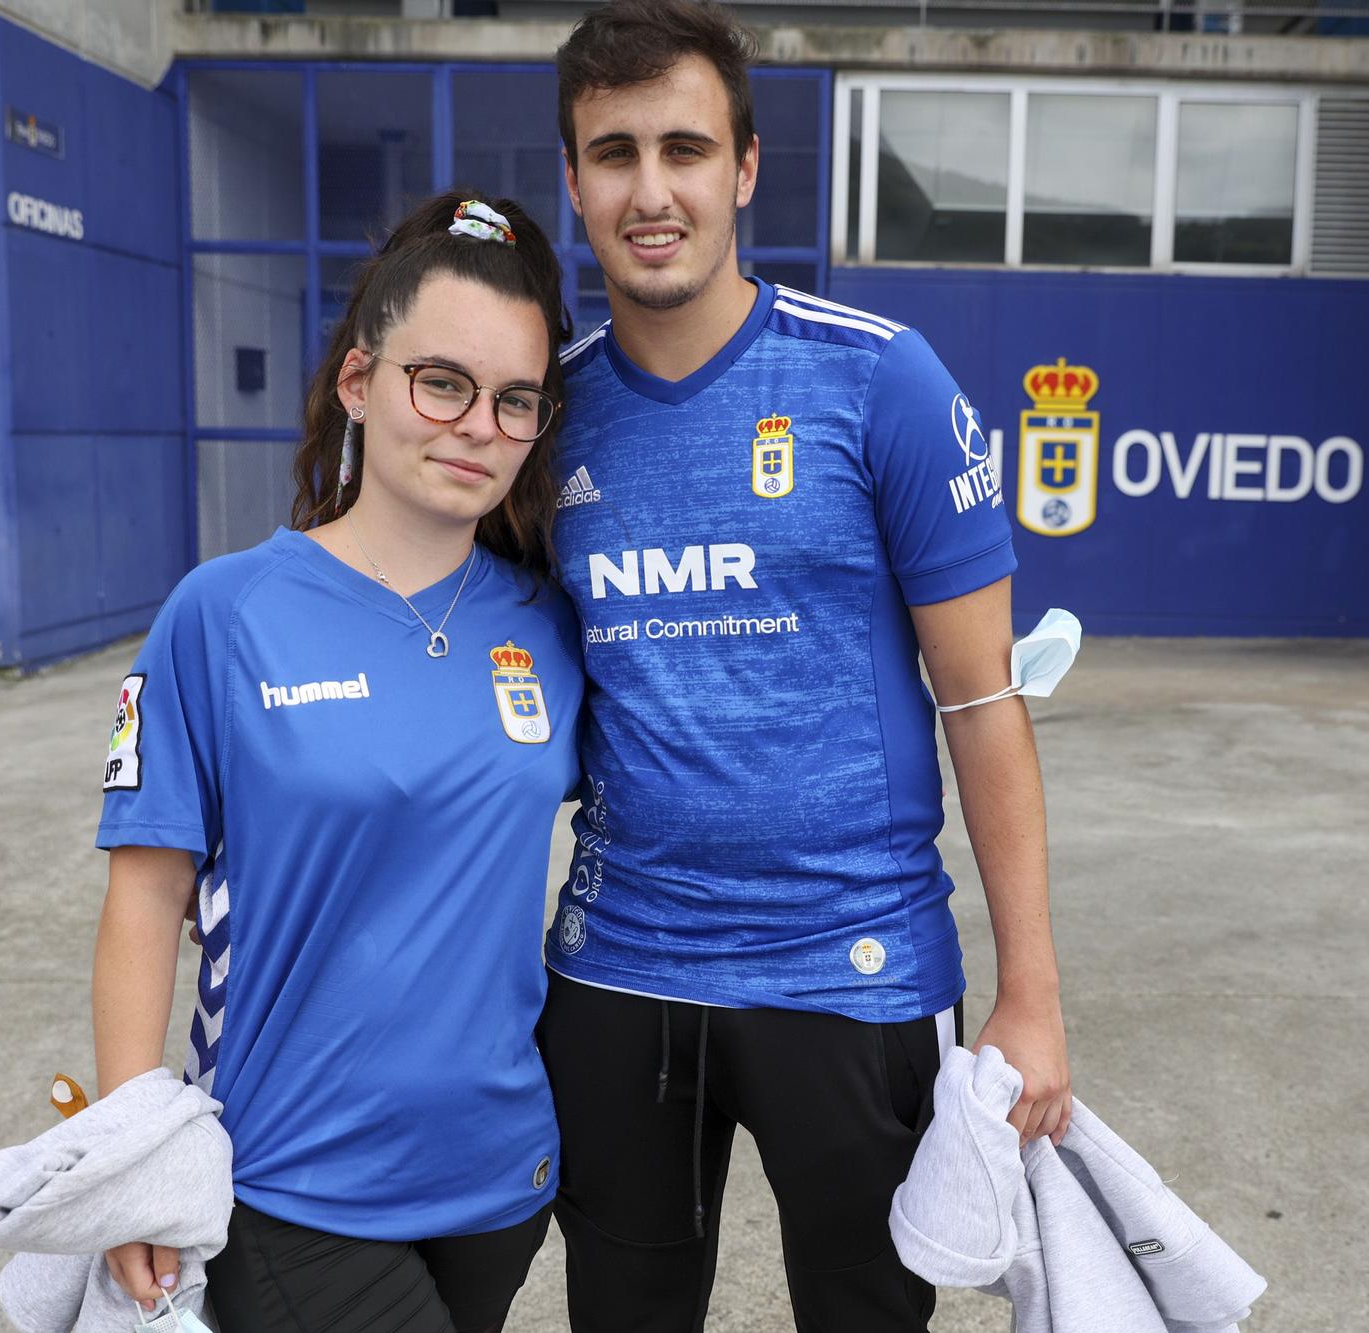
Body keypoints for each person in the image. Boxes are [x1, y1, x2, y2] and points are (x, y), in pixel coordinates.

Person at [536, 3, 1072, 1329]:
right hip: (620, 973)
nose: (650, 191)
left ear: (746, 168)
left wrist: (1034, 995)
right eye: (614, 153)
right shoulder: (543, 414)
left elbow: (983, 704)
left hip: (855, 969)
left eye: (684, 149)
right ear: (573, 179)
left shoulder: (878, 382)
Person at [91, 190, 579, 1333]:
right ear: (360, 383)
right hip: (293, 1177)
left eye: (514, 402)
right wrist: (124, 1151)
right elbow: (146, 894)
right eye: (441, 382)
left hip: (499, 1179)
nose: (475, 425)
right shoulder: (223, 614)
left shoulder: (551, 630)